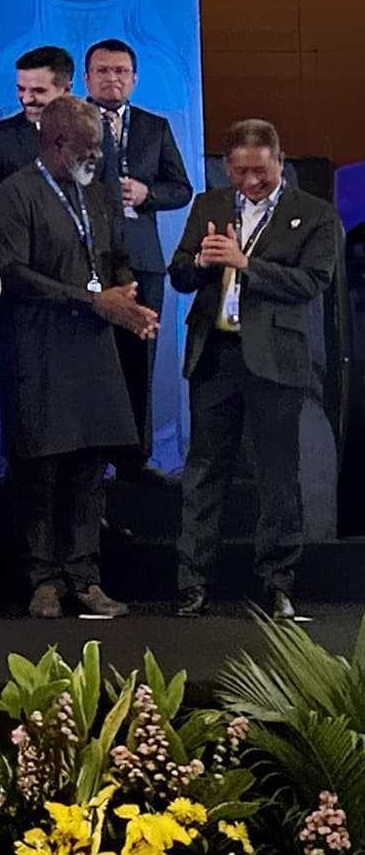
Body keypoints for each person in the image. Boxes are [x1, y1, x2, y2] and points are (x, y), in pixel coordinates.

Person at [0, 94, 157, 620]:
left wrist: (129, 300)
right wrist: (91, 299)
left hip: (94, 350)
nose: (99, 158)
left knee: (89, 470)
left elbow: (114, 259)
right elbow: (11, 273)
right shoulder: (14, 195)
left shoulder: (100, 196)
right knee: (42, 469)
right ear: (58, 144)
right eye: (90, 149)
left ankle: (85, 578)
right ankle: (42, 579)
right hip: (39, 350)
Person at [170, 119, 339, 619]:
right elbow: (180, 274)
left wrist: (246, 264)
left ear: (280, 163)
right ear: (226, 168)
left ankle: (277, 581)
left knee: (277, 476)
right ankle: (192, 582)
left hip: (276, 360)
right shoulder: (210, 206)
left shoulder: (315, 215)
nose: (249, 183)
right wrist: (201, 262)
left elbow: (313, 282)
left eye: (260, 173)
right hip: (216, 356)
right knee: (203, 473)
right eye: (240, 172)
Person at [83, 38, 194, 483]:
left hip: (143, 258)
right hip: (88, 258)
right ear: (87, 78)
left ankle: (135, 457)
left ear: (135, 78)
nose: (113, 78)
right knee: (91, 360)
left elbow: (181, 188)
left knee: (139, 358)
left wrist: (149, 195)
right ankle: (89, 455)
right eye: (104, 71)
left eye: (121, 71)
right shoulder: (72, 123)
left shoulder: (154, 126)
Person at [0, 44, 72, 225]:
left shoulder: (94, 134)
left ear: (66, 90)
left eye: (38, 91)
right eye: (21, 89)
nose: (26, 99)